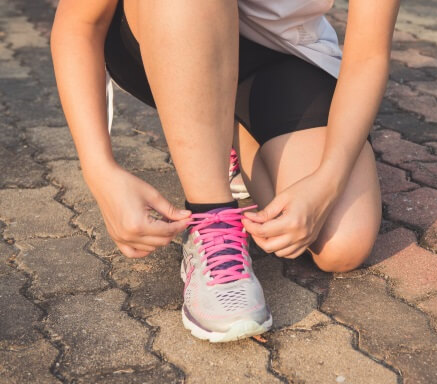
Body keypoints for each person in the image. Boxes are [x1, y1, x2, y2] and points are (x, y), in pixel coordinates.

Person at [50, 0, 400, 342]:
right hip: (167, 25)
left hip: (284, 50)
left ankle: (223, 130)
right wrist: (99, 170)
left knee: (341, 243)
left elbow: (369, 54)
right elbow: (79, 24)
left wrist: (327, 181)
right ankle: (212, 220)